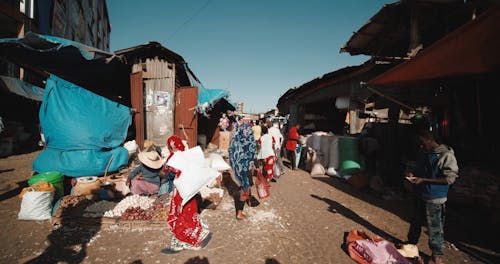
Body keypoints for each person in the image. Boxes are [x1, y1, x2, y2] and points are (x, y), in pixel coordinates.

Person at [405, 129, 459, 264]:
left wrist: (425, 180)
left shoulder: (446, 155)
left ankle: (436, 254)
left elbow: (449, 179)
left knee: (434, 227)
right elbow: (418, 169)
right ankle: (411, 244)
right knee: (415, 221)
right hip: (420, 193)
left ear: (430, 140)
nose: (421, 145)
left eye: (422, 142)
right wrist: (412, 173)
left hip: (435, 197)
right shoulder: (424, 153)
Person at [165, 135, 210, 251]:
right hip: (189, 188)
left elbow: (168, 174)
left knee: (183, 211)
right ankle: (193, 233)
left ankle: (188, 237)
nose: (173, 149)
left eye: (172, 147)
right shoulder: (187, 156)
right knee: (189, 210)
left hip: (181, 189)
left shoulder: (173, 158)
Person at [229, 121, 257, 220]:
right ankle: (239, 213)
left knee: (245, 186)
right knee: (245, 188)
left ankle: (245, 204)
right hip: (245, 167)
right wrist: (252, 165)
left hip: (239, 168)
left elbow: (231, 152)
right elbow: (253, 153)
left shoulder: (235, 139)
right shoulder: (250, 139)